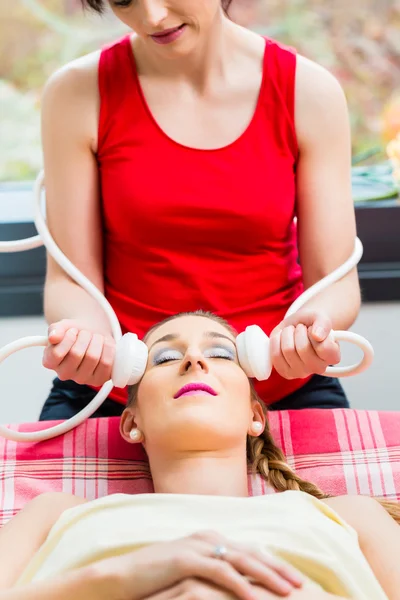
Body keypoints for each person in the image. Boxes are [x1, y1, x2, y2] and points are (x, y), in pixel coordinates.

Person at [39, 0, 360, 422]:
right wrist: (86, 334)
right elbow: (71, 278)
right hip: (122, 392)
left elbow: (335, 280)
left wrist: (312, 327)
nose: (151, 17)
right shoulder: (75, 93)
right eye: (123, 0)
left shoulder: (309, 91)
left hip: (278, 386)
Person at [2, 312, 399, 600]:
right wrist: (121, 577)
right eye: (164, 358)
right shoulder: (54, 514)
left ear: (255, 416)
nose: (195, 361)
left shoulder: (352, 516)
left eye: (222, 354)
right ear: (130, 423)